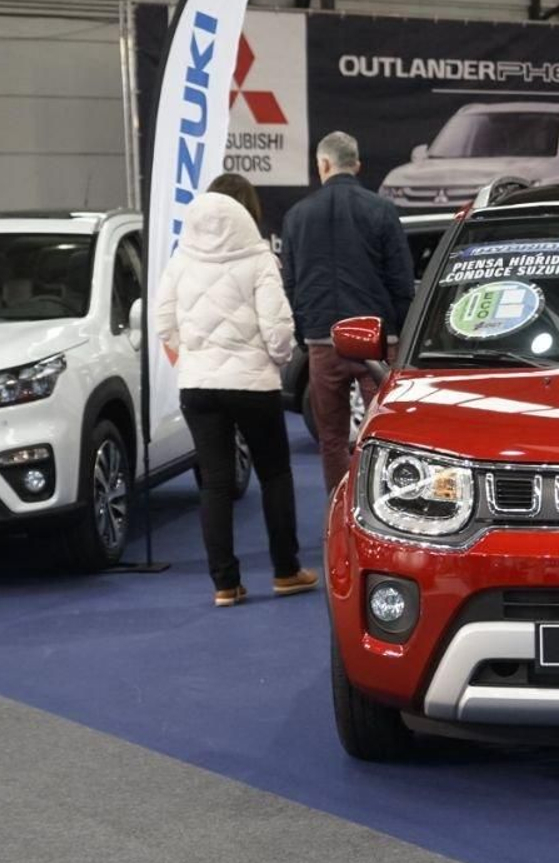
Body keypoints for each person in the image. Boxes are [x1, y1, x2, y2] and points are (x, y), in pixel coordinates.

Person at [158, 173, 318, 607]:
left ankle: (224, 584)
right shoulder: (259, 257)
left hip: (198, 386)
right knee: (275, 474)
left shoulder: (181, 258)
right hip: (253, 385)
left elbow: (163, 324)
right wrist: (278, 360)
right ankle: (286, 571)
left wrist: (192, 358)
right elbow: (279, 328)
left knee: (214, 483)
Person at [280, 131, 416, 492]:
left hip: (323, 342)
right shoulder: (382, 210)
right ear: (356, 165)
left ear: (323, 165)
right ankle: (384, 510)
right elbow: (401, 280)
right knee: (387, 437)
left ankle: (337, 514)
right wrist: (400, 337)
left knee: (332, 439)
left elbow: (290, 284)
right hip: (377, 342)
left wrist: (305, 336)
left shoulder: (297, 216)